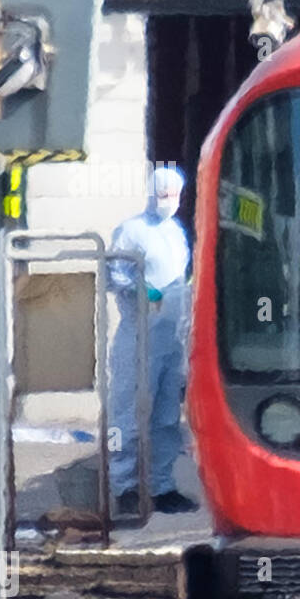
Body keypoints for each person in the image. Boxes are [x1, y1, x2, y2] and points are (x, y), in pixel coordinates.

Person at [108, 166, 197, 514]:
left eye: (174, 196)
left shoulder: (175, 231)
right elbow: (114, 273)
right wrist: (146, 291)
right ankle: (124, 486)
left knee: (165, 417)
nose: (168, 202)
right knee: (129, 413)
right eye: (162, 196)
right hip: (139, 333)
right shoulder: (131, 231)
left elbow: (184, 276)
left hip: (171, 337)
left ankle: (161, 486)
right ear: (149, 194)